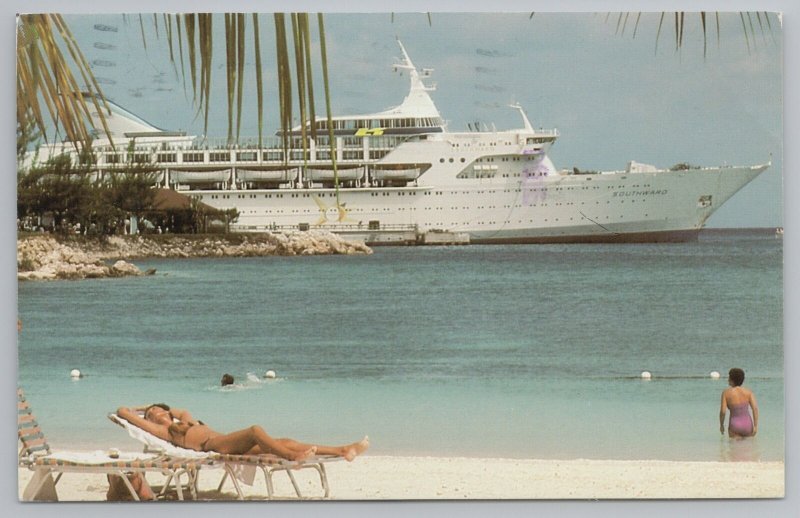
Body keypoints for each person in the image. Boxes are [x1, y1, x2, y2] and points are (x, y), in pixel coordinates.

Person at [116, 404, 369, 462]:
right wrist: (141, 410)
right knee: (256, 430)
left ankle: (343, 449)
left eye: (158, 410)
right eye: (151, 415)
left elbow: (182, 410)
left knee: (285, 440)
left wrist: (164, 407)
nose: (155, 414)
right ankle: (292, 458)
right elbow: (123, 412)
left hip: (226, 441)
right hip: (213, 446)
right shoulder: (166, 431)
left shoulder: (185, 421)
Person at [719, 367, 759, 438]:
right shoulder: (748, 392)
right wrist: (755, 426)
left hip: (734, 425)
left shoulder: (726, 393)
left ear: (732, 379)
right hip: (747, 425)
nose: (728, 379)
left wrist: (721, 425)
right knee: (749, 448)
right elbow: (755, 408)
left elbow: (723, 411)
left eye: (729, 377)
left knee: (734, 448)